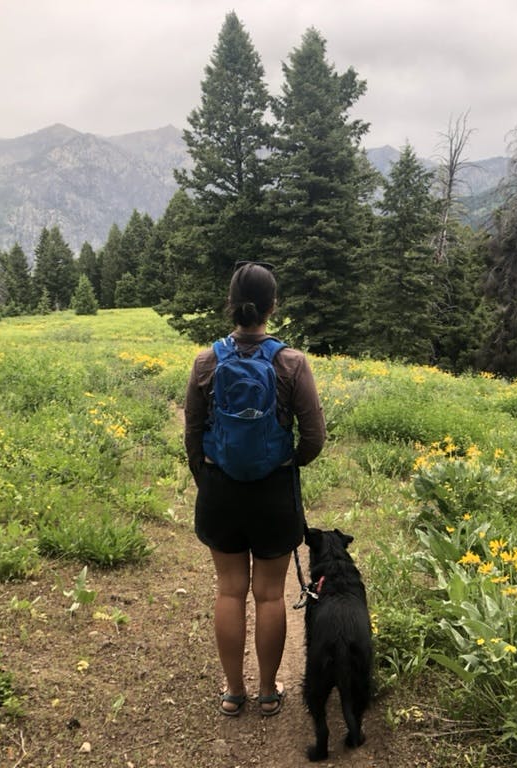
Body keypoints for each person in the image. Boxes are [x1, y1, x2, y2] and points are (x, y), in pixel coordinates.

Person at [184, 261, 326, 717]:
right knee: (269, 595)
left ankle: (232, 692)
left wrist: (208, 478)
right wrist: (286, 464)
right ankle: (267, 691)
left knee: (229, 591)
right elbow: (313, 438)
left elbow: (191, 433)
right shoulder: (291, 362)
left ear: (231, 304)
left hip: (221, 490)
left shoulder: (206, 361)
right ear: (272, 307)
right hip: (272, 493)